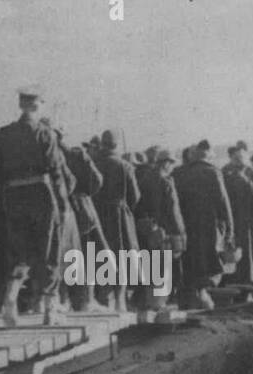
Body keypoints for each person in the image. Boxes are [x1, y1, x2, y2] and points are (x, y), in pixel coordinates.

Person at [0, 88, 71, 327]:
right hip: (41, 196)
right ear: (37, 106)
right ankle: (49, 309)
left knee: (17, 251)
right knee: (48, 251)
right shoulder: (45, 133)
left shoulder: (3, 134)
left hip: (13, 197)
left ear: (21, 105)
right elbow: (56, 171)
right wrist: (63, 205)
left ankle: (10, 303)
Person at [172, 140, 233, 309]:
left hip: (185, 226)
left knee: (189, 262)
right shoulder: (213, 172)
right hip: (207, 227)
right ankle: (202, 295)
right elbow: (223, 204)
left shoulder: (179, 173)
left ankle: (189, 297)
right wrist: (229, 231)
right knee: (209, 264)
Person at [91, 130, 141, 312]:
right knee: (122, 256)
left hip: (97, 215)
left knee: (99, 255)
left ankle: (103, 300)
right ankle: (120, 301)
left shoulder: (94, 163)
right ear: (117, 145)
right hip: (119, 216)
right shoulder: (125, 165)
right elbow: (135, 196)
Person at [133, 147, 185, 319]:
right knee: (163, 266)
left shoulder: (145, 178)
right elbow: (173, 210)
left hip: (147, 228)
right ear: (167, 163)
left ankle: (149, 302)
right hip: (165, 230)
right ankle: (158, 304)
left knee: (150, 264)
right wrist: (180, 233)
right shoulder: (166, 181)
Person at [64, 139, 108, 312]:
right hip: (79, 207)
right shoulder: (75, 154)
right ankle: (87, 300)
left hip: (51, 208)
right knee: (87, 253)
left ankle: (63, 300)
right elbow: (96, 181)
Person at [222, 142, 253, 294]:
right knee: (252, 257)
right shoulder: (248, 181)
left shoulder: (229, 176)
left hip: (238, 223)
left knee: (243, 258)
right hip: (247, 224)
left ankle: (244, 285)